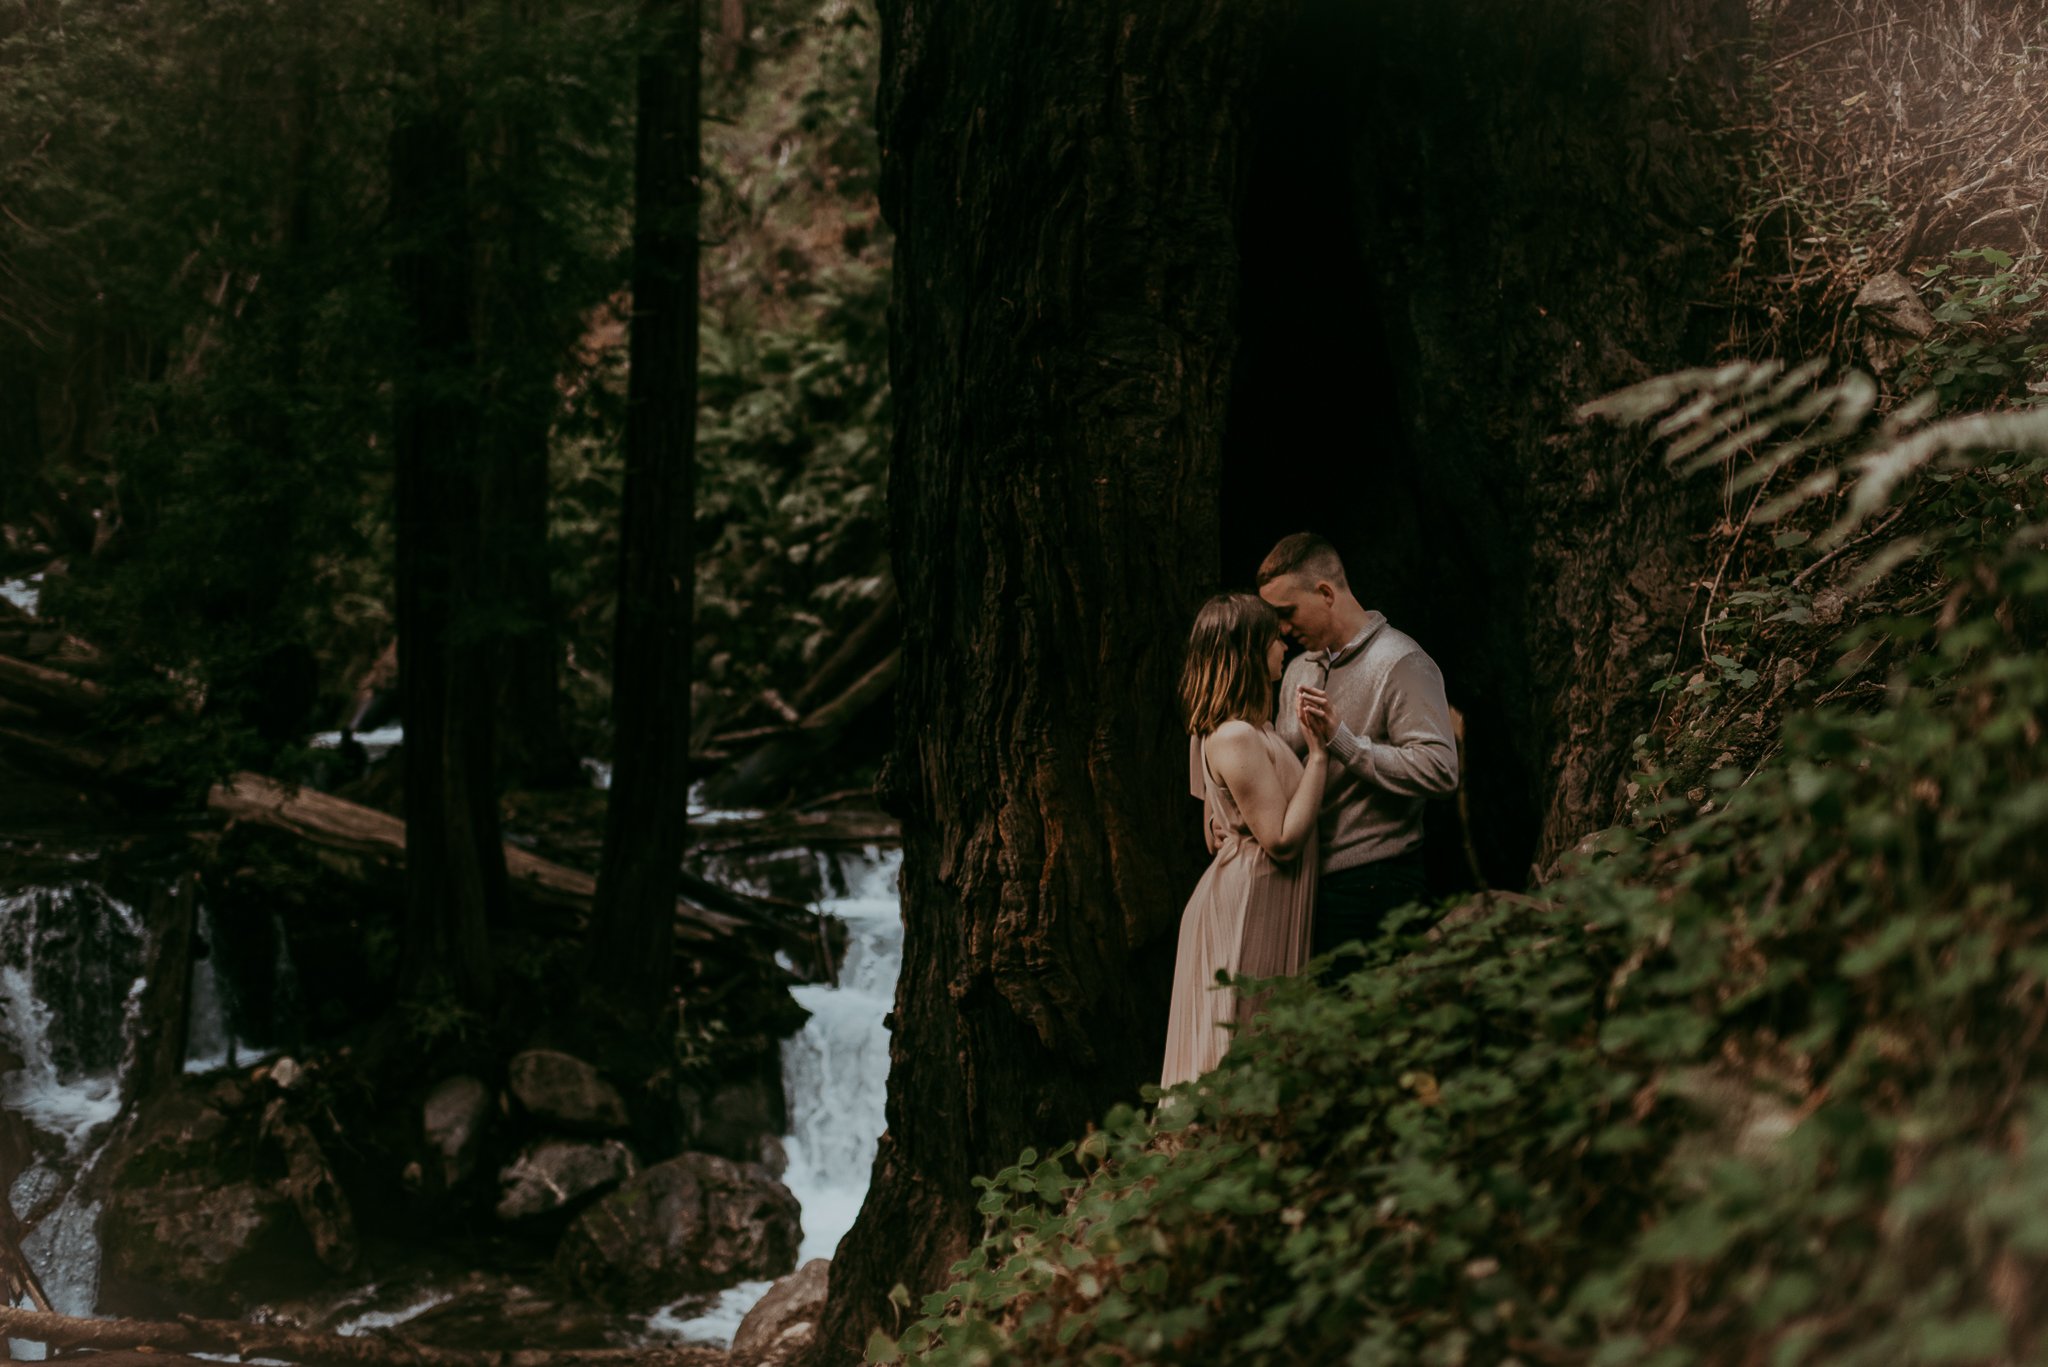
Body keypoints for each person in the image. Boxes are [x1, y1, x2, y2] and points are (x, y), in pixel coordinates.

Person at [1257, 533, 1458, 970]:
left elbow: (1441, 770)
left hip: (1376, 885)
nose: (1283, 630)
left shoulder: (1402, 661)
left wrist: (1343, 741)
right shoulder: (1297, 668)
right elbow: (1286, 763)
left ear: (1326, 593)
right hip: (1303, 883)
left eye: (1287, 613)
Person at [1161, 593, 1328, 1089]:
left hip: (1261, 896)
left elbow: (1217, 826)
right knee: (1238, 1042)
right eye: (1274, 638)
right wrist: (1320, 756)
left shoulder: (1254, 730)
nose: (1284, 646)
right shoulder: (1234, 736)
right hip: (1247, 904)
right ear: (1249, 650)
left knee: (1258, 1037)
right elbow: (1279, 840)